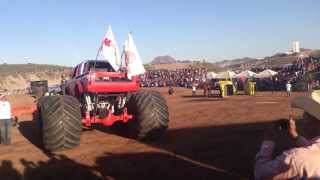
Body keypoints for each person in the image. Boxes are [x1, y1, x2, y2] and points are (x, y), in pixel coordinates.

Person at [254, 90, 320, 179]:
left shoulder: (296, 159)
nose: (303, 117)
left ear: (316, 121)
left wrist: (268, 141)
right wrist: (295, 135)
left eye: (306, 114)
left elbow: (260, 173)